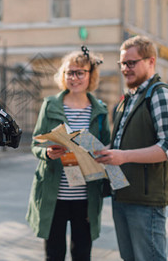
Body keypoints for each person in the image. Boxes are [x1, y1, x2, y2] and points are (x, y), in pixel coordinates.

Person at [95, 35, 168, 261]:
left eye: (131, 63)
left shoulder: (160, 94)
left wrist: (123, 156)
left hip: (146, 200)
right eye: (122, 63)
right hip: (122, 193)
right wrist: (104, 152)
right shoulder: (129, 98)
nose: (125, 68)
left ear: (151, 61)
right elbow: (122, 144)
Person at [26, 47, 110, 261]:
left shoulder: (99, 110)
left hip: (86, 196)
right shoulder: (50, 104)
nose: (74, 77)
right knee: (54, 254)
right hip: (55, 193)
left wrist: (100, 153)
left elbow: (106, 147)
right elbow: (35, 143)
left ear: (90, 76)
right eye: (69, 72)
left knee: (82, 253)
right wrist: (47, 153)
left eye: (80, 72)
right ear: (63, 76)